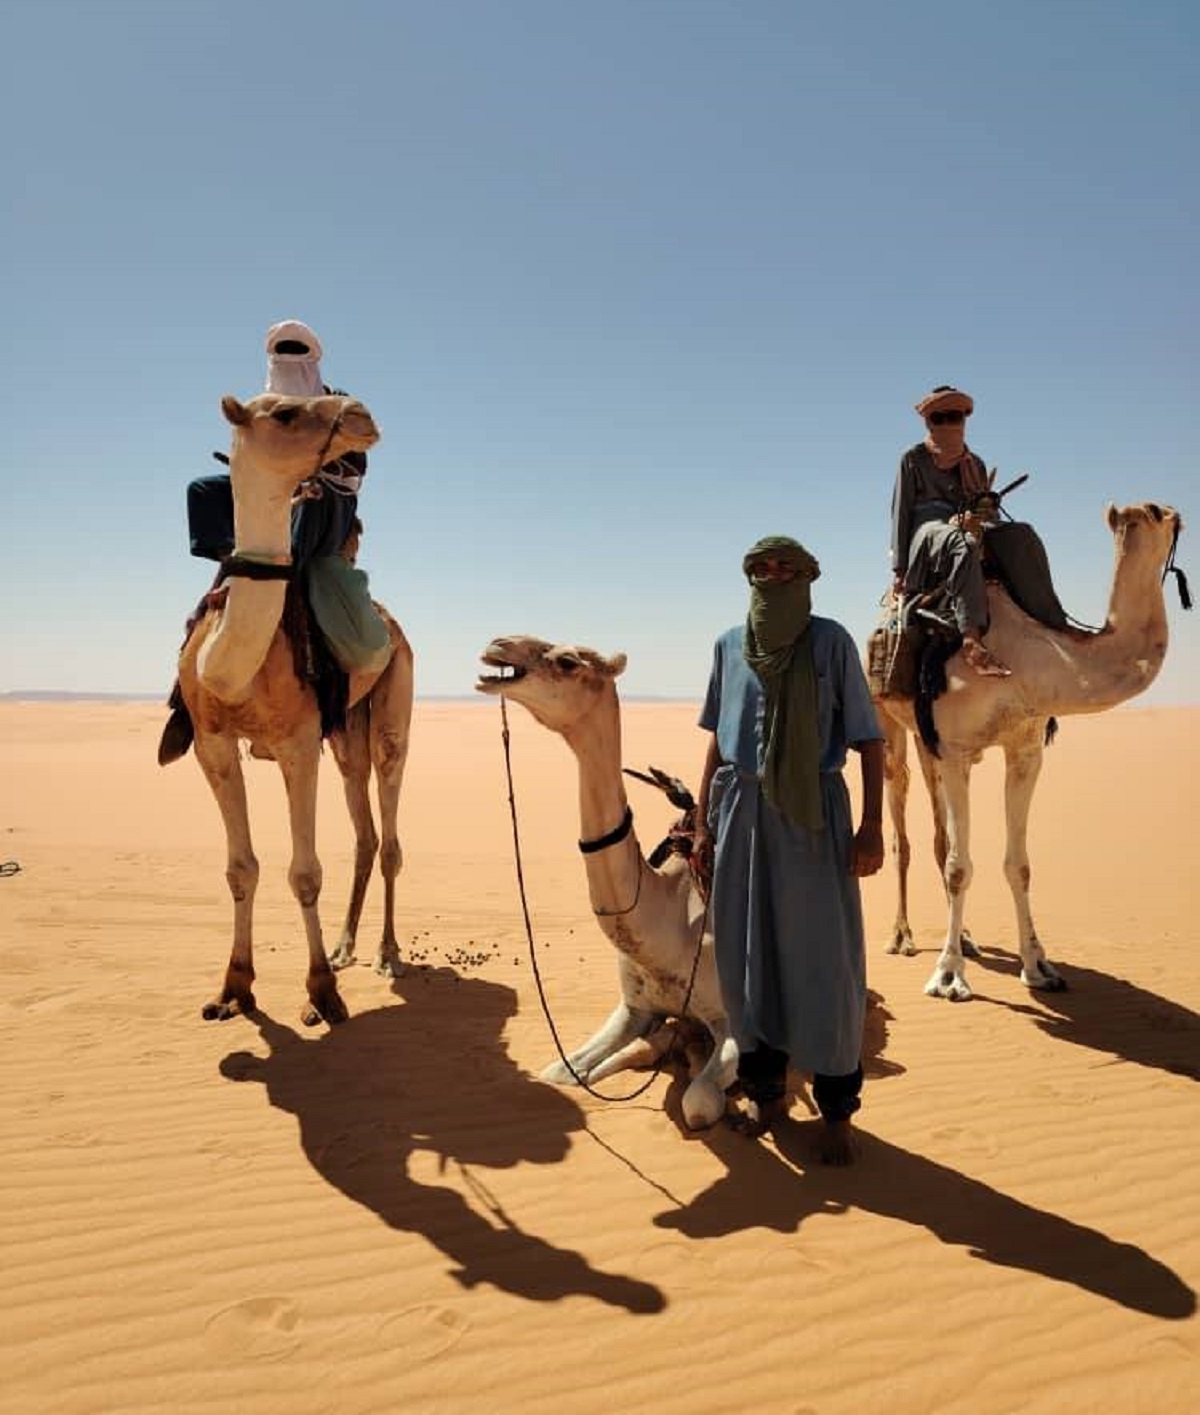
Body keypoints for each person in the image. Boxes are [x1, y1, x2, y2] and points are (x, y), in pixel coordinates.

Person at [692, 536, 885, 1165]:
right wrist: (701, 823)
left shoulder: (831, 642)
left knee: (825, 964)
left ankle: (836, 1113)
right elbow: (718, 741)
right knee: (750, 963)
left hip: (813, 817)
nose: (771, 576)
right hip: (742, 814)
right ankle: (767, 1096)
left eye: (784, 568)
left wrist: (873, 826)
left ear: (806, 576)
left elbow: (868, 740)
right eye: (760, 568)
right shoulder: (728, 644)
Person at [158, 320, 391, 764]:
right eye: (281, 349)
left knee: (356, 633)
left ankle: (319, 710)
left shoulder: (335, 403)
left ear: (313, 358)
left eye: (296, 350)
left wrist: (310, 473)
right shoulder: (263, 403)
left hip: (324, 503)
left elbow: (356, 464)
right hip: (270, 497)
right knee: (204, 491)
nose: (287, 356)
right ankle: (184, 702)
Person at [890, 384, 1011, 677]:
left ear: (963, 419)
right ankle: (971, 640)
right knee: (963, 543)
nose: (947, 424)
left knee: (1021, 536)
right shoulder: (913, 458)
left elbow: (989, 514)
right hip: (927, 532)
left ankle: (1052, 620)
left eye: (953, 416)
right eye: (939, 418)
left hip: (967, 524)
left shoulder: (976, 464)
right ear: (929, 422)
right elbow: (900, 512)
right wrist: (899, 569)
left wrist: (982, 514)